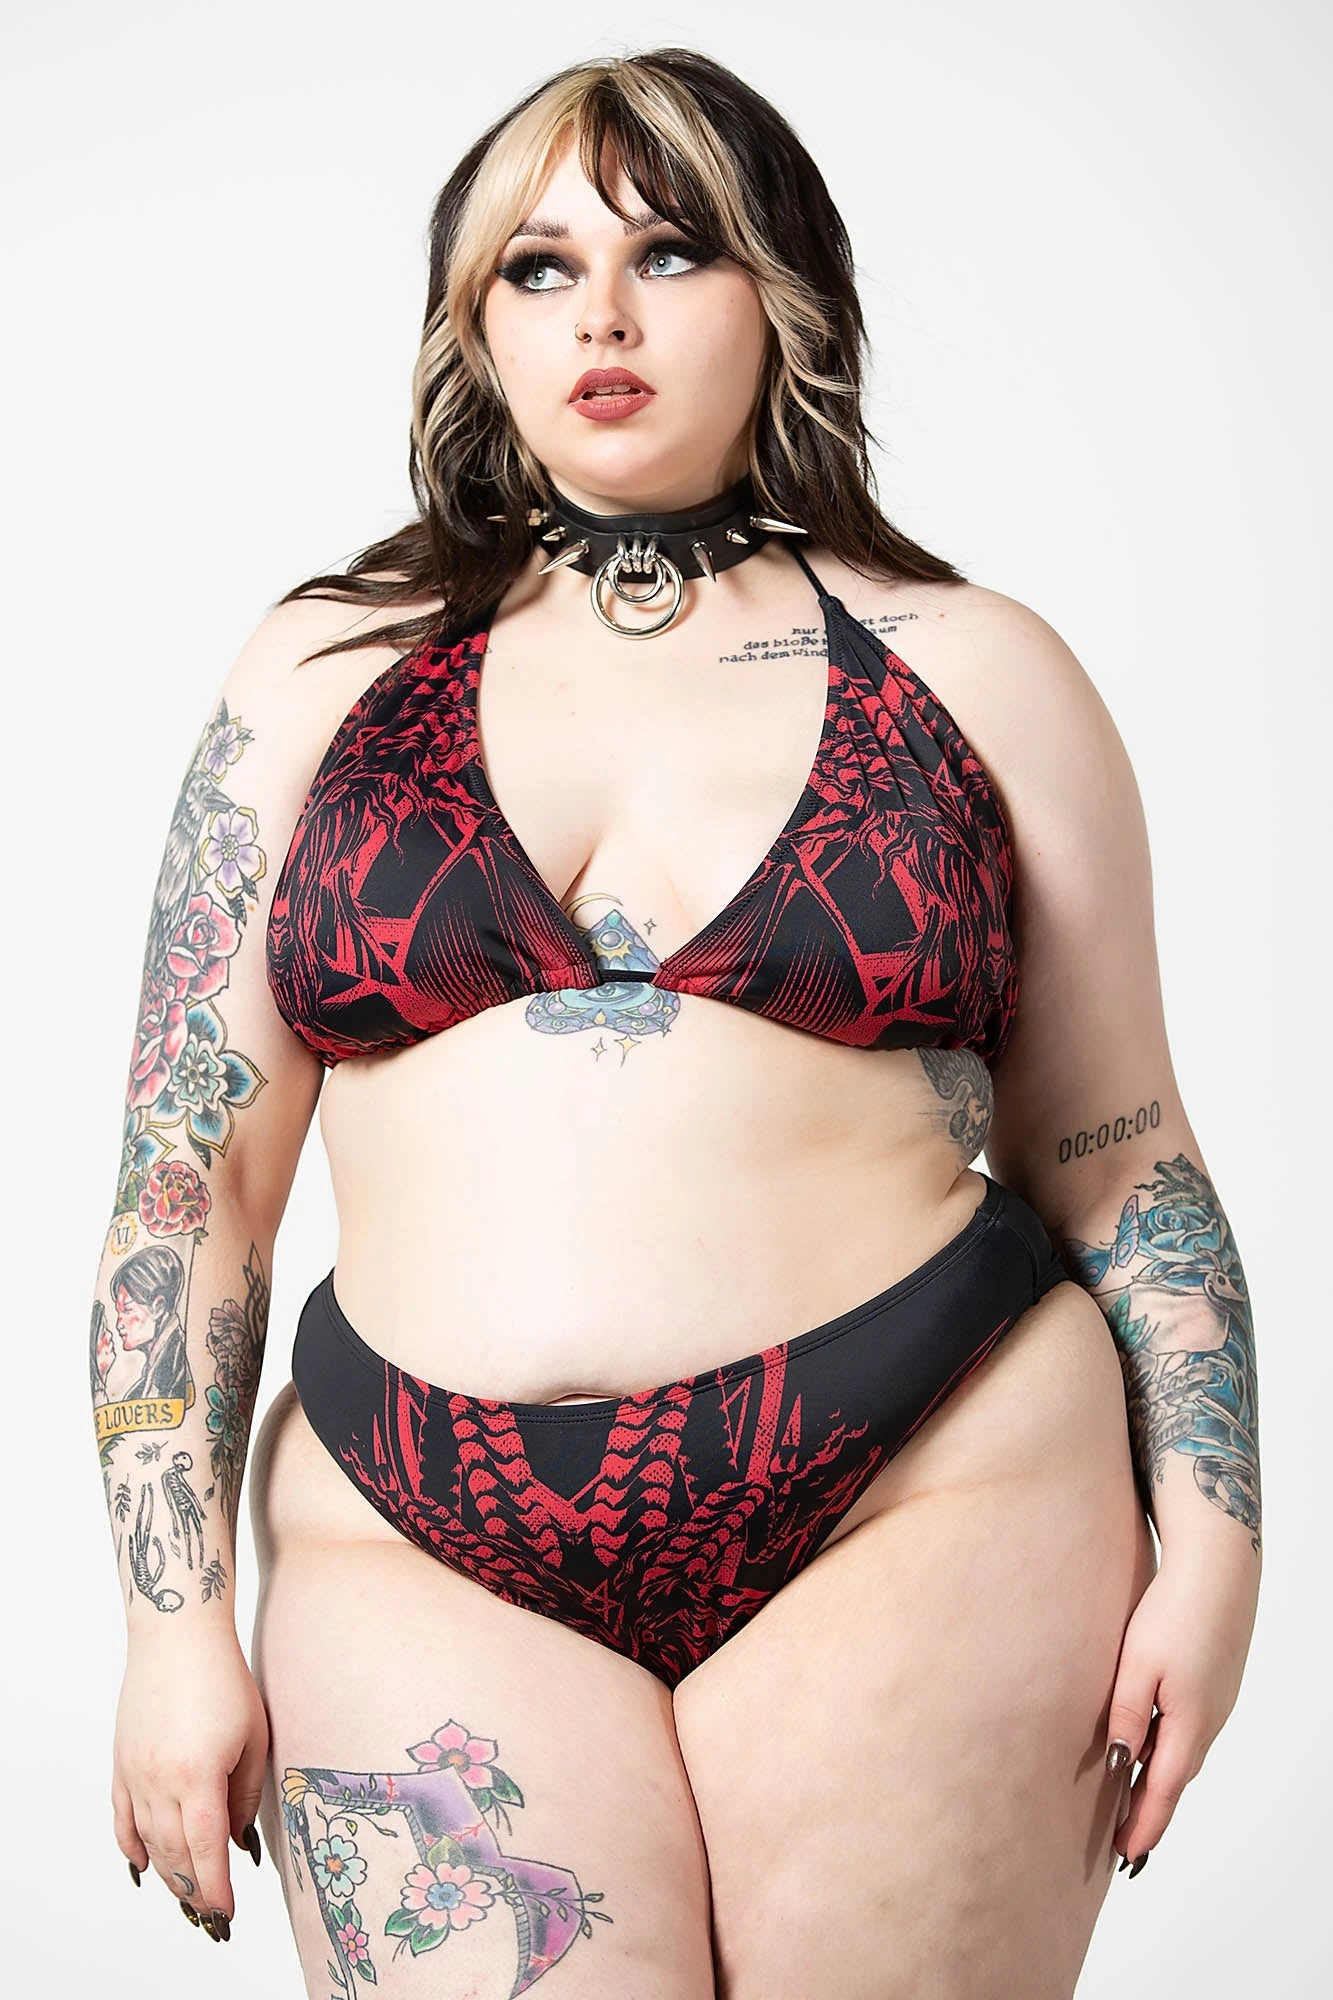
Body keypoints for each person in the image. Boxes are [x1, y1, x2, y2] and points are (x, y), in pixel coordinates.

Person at [95, 45, 1262, 1998]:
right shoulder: (319, 677)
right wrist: (167, 1625)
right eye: (540, 266)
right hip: (412, 1528)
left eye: (673, 252)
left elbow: (1121, 1159)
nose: (604, 317)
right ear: (476, 322)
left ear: (783, 292)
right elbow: (183, 1190)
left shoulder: (979, 671)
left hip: (931, 1481)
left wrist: (1219, 1553)